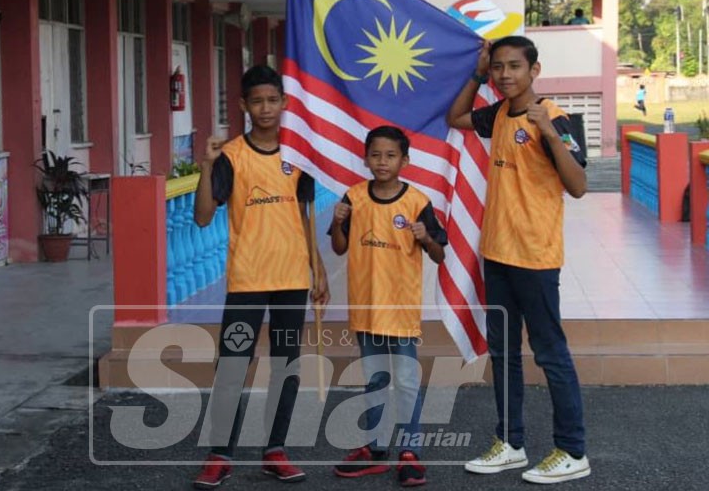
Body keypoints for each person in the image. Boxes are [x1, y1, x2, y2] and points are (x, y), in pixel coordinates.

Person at [446, 36, 590, 485]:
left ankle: (572, 451)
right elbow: (455, 118)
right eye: (499, 68)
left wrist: (548, 131)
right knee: (505, 354)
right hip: (498, 254)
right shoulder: (497, 114)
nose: (505, 75)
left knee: (550, 354)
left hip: (535, 256)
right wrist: (475, 71)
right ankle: (510, 443)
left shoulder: (555, 117)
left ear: (535, 70)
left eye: (514, 67)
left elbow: (579, 185)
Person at [192, 64, 329, 489]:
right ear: (242, 105)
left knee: (286, 365)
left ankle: (275, 451)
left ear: (285, 103)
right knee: (233, 364)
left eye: (273, 100)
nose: (265, 108)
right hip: (248, 279)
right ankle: (220, 454)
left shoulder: (297, 154)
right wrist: (205, 166)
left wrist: (318, 269)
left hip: (291, 278)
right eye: (257, 101)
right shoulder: (231, 156)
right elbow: (201, 217)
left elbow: (305, 214)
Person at [329, 126, 447, 487]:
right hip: (366, 309)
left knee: (407, 381)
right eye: (376, 155)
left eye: (391, 155)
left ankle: (410, 451)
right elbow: (338, 247)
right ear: (365, 159)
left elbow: (439, 254)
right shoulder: (354, 198)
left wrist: (425, 237)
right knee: (375, 380)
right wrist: (337, 223)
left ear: (405, 161)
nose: (382, 162)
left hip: (401, 309)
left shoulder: (417, 202)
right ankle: (376, 448)